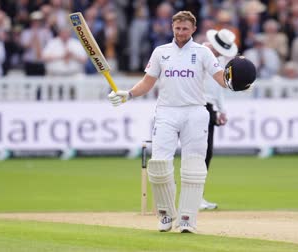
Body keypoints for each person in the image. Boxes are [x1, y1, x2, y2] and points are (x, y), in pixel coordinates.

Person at [108, 11, 255, 234]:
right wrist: (127, 94)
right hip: (166, 112)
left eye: (185, 28)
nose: (180, 32)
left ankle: (187, 219)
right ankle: (166, 215)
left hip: (195, 112)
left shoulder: (203, 52)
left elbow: (221, 79)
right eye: (177, 28)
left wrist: (236, 84)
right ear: (172, 27)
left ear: (193, 29)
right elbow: (147, 83)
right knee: (158, 165)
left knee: (194, 166)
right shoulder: (161, 52)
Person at [200, 28, 237, 210]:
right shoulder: (199, 53)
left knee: (207, 153)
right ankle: (193, 196)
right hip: (197, 106)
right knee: (199, 153)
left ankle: (197, 195)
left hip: (209, 108)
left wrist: (222, 111)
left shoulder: (220, 60)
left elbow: (218, 89)